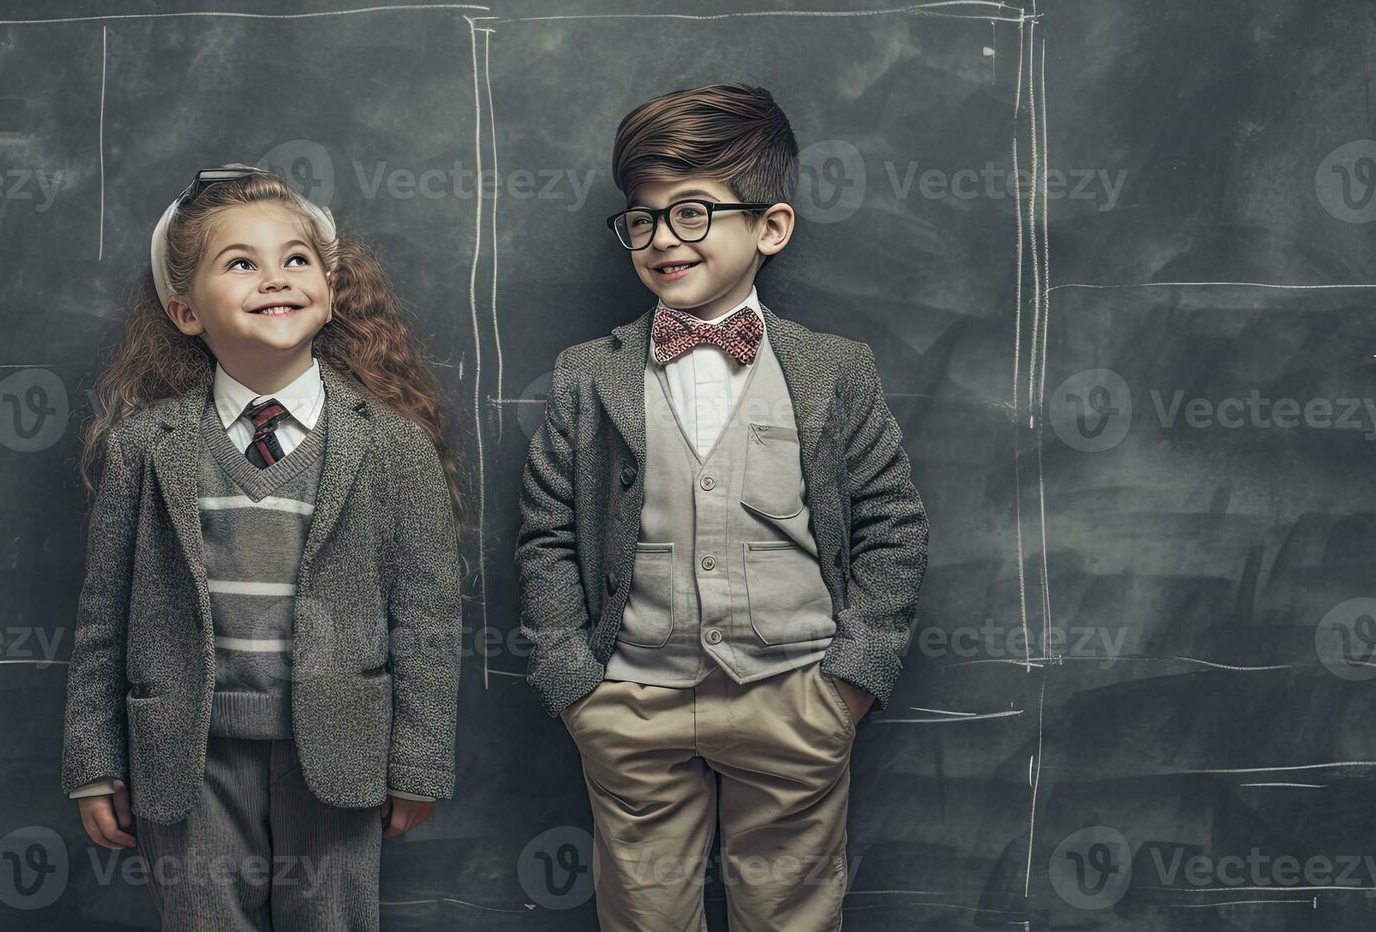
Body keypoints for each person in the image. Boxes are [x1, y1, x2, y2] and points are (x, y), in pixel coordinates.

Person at [516, 84, 929, 930]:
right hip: (630, 697)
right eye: (644, 218)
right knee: (643, 919)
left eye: (694, 213)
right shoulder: (587, 373)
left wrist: (850, 683)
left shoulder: (833, 370)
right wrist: (573, 688)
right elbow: (547, 534)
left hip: (793, 690)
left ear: (769, 228)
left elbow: (893, 525)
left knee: (790, 918)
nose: (664, 237)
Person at [62, 164, 464, 931]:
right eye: (239, 262)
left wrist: (417, 764)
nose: (274, 279)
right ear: (185, 310)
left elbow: (428, 624)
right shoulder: (144, 448)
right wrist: (94, 762)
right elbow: (101, 622)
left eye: (296, 259)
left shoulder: (393, 447)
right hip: (185, 754)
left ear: (329, 287)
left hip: (340, 754)